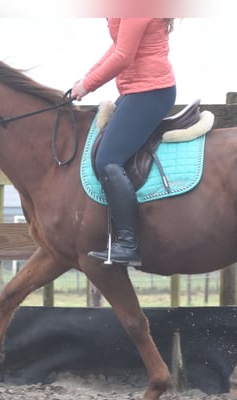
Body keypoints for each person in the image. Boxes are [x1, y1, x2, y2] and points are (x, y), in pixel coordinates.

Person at [71, 18, 177, 266]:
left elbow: (122, 56)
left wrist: (87, 85)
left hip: (150, 91)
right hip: (136, 90)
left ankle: (129, 243)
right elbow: (118, 47)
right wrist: (86, 78)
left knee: (108, 159)